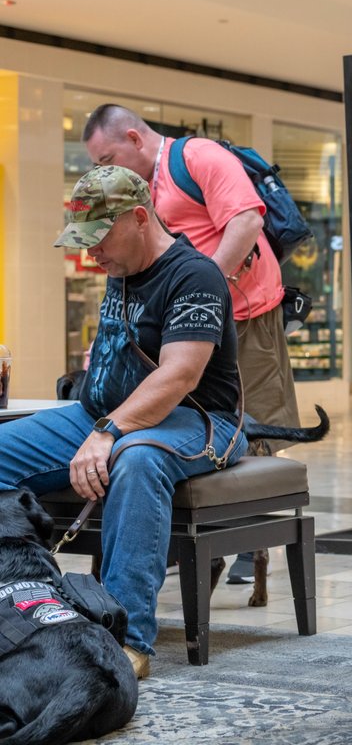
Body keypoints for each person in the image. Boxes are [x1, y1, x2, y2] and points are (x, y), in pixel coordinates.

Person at [0, 165, 247, 678]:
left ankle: (124, 639)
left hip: (198, 421)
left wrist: (108, 431)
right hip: (99, 414)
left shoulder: (194, 274)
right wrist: (99, 418)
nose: (89, 252)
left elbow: (179, 376)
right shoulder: (122, 268)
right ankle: (19, 606)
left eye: (98, 238)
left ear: (140, 217)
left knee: (135, 460)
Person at [82, 104, 299, 584]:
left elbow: (246, 221)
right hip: (179, 325)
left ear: (135, 138)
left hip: (243, 315)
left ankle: (246, 543)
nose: (105, 170)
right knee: (171, 418)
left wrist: (201, 296)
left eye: (107, 158)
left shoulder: (197, 157)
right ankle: (181, 537)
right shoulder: (138, 189)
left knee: (254, 424)